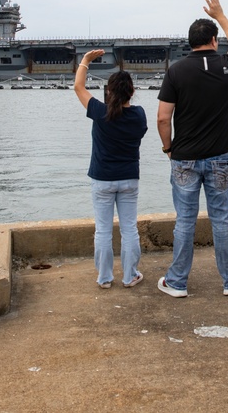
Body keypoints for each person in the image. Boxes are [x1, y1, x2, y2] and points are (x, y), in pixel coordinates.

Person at [156, 0, 228, 298]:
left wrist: (168, 148)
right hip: (221, 156)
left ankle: (178, 282)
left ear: (189, 42)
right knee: (221, 218)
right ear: (213, 40)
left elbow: (162, 117)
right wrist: (221, 15)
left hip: (184, 157)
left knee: (184, 220)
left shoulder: (176, 71)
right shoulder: (227, 64)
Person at [73, 49, 148, 288]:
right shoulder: (139, 115)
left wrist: (85, 60)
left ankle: (104, 278)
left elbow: (78, 88)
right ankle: (130, 276)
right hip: (128, 179)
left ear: (108, 91)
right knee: (129, 229)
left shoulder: (99, 112)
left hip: (102, 179)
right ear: (132, 92)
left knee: (103, 231)